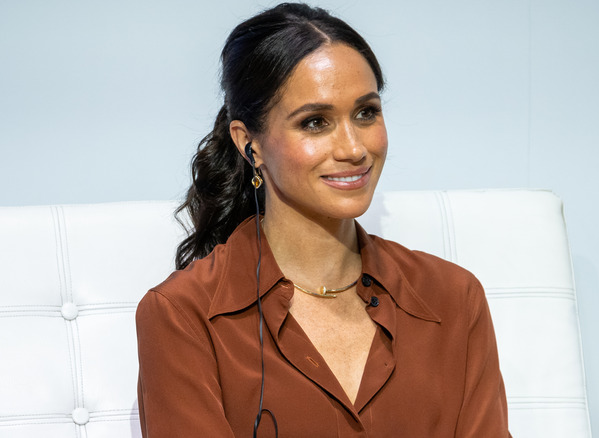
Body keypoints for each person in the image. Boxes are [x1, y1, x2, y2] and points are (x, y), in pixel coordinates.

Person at [136, 3, 510, 437]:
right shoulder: (182, 316)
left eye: (366, 112)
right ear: (249, 144)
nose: (354, 148)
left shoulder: (453, 299)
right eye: (316, 122)